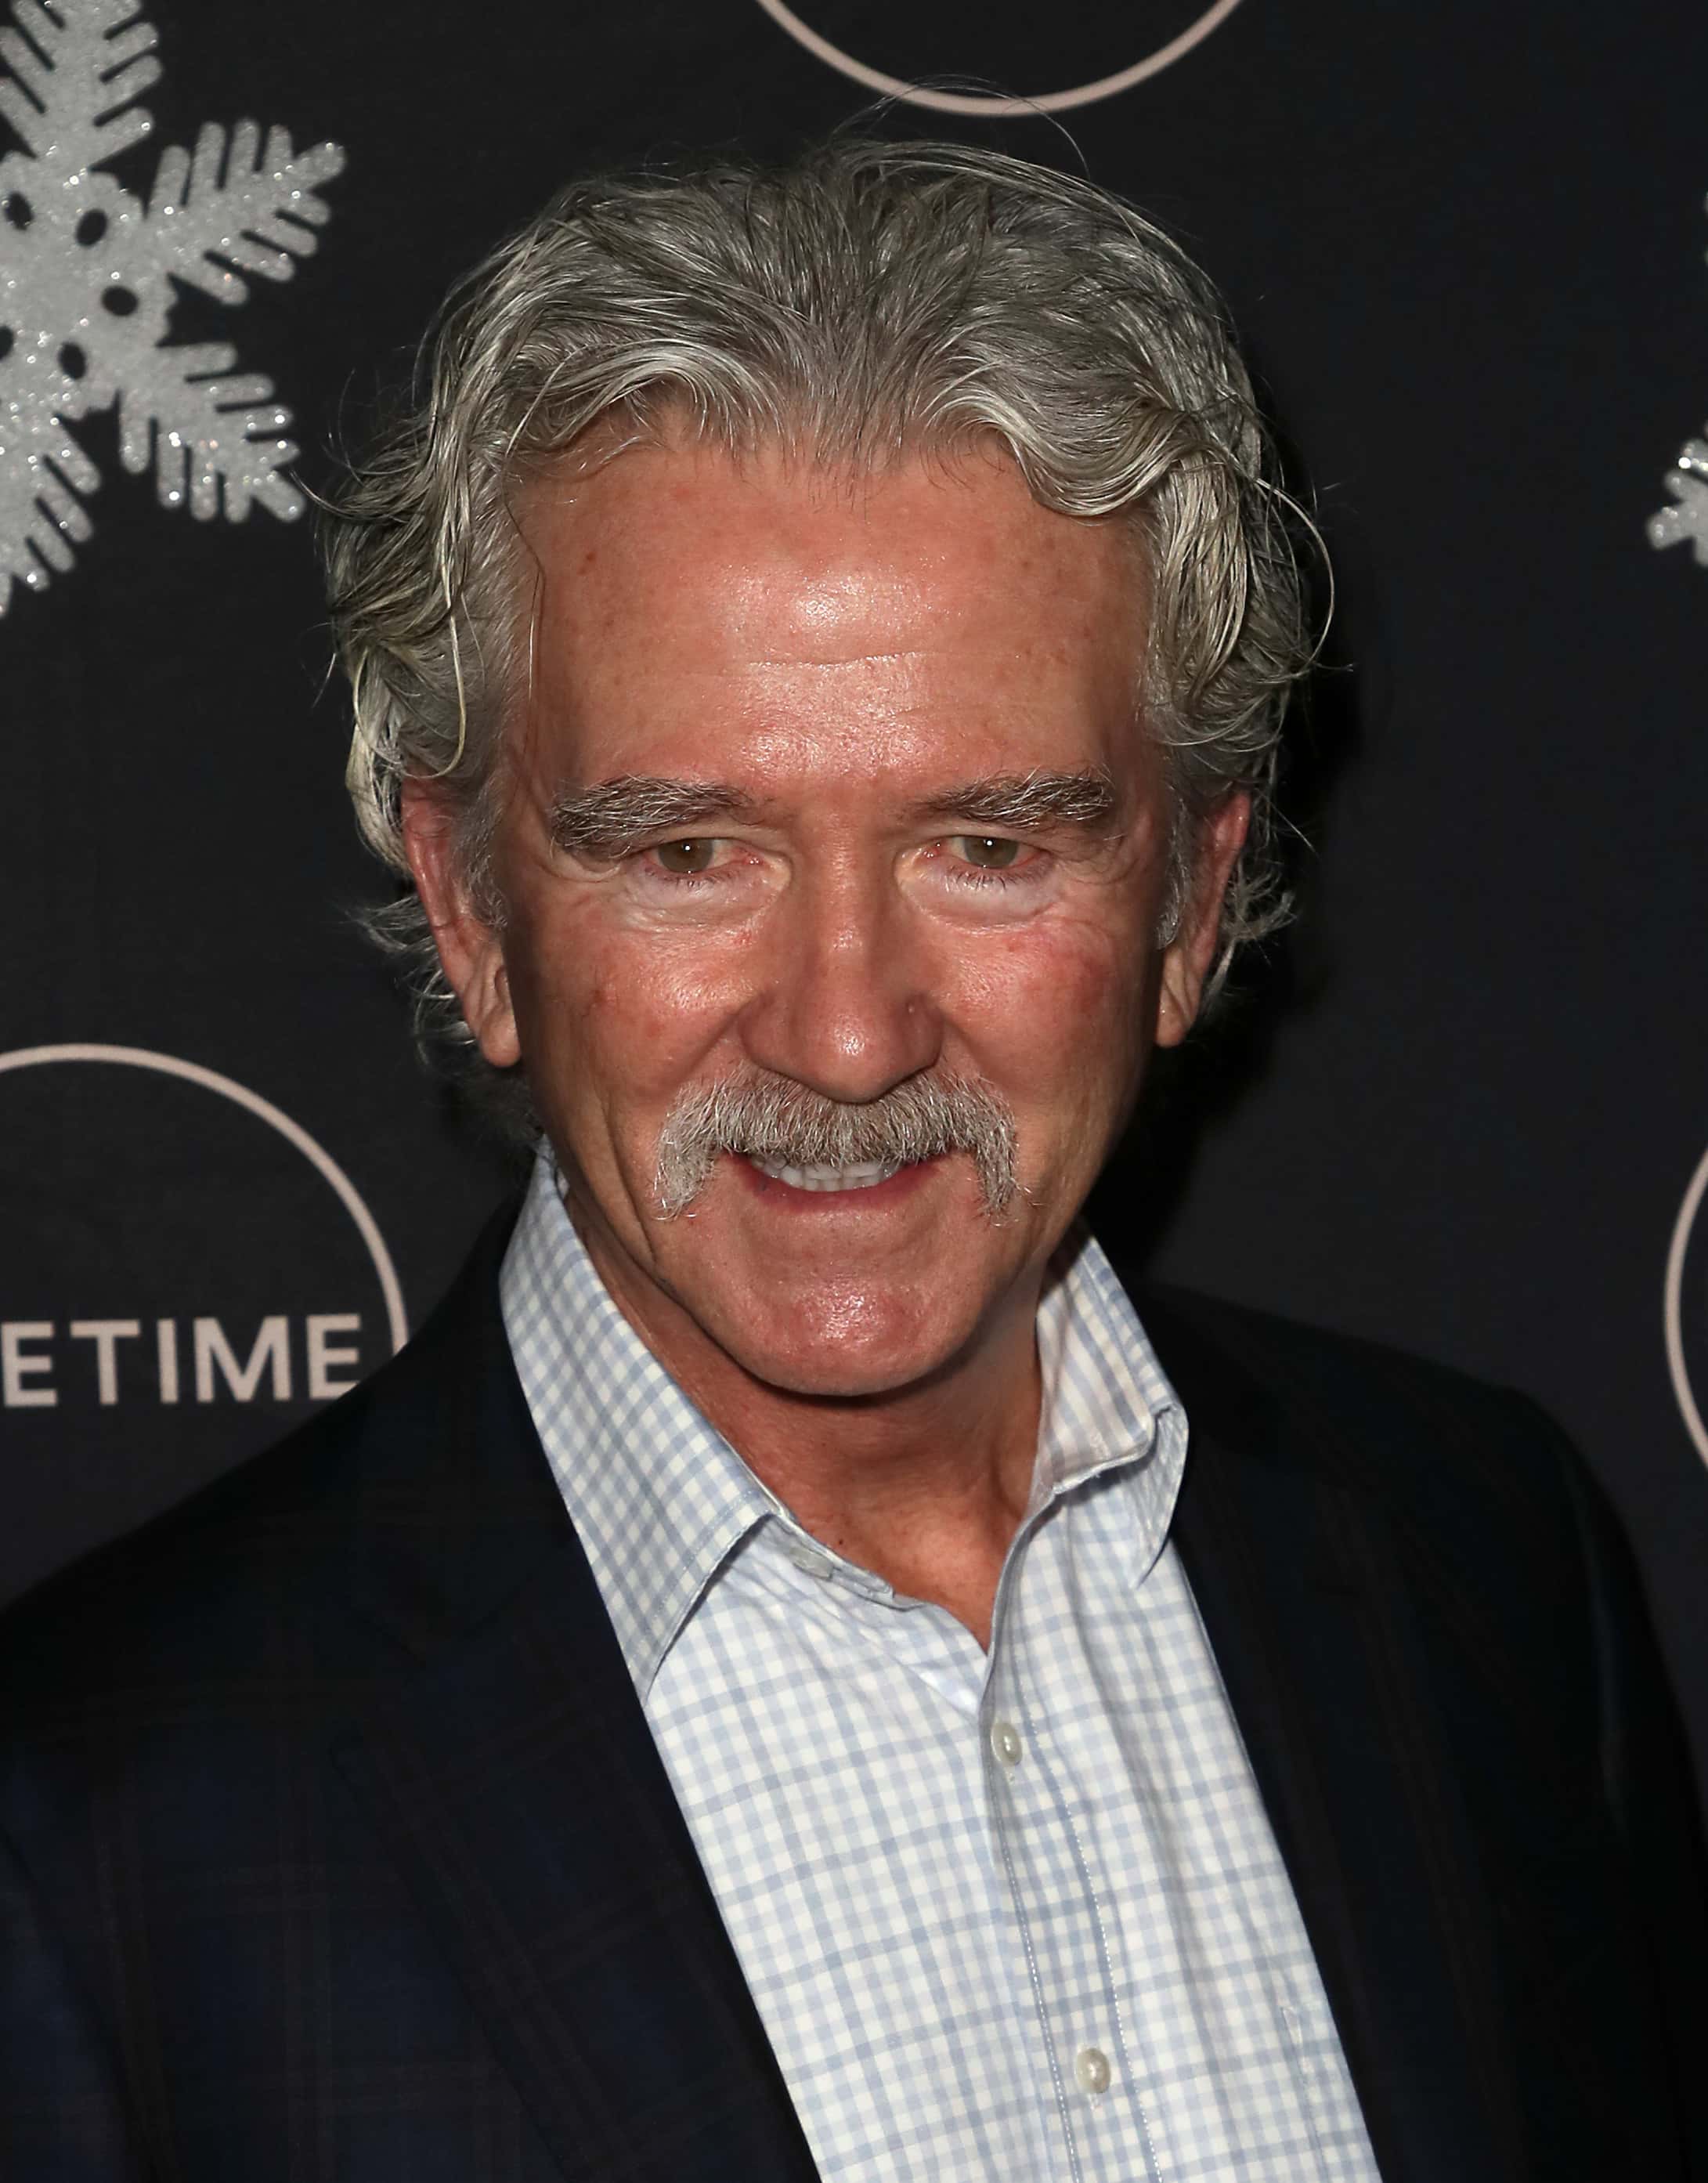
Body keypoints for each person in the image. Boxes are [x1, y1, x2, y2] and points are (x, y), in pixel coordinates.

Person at [1, 139, 1702, 2183]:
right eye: (687, 851)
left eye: (989, 844)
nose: (845, 1032)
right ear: (469, 908)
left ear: (1190, 901)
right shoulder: (90, 1846)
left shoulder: (1486, 1565)